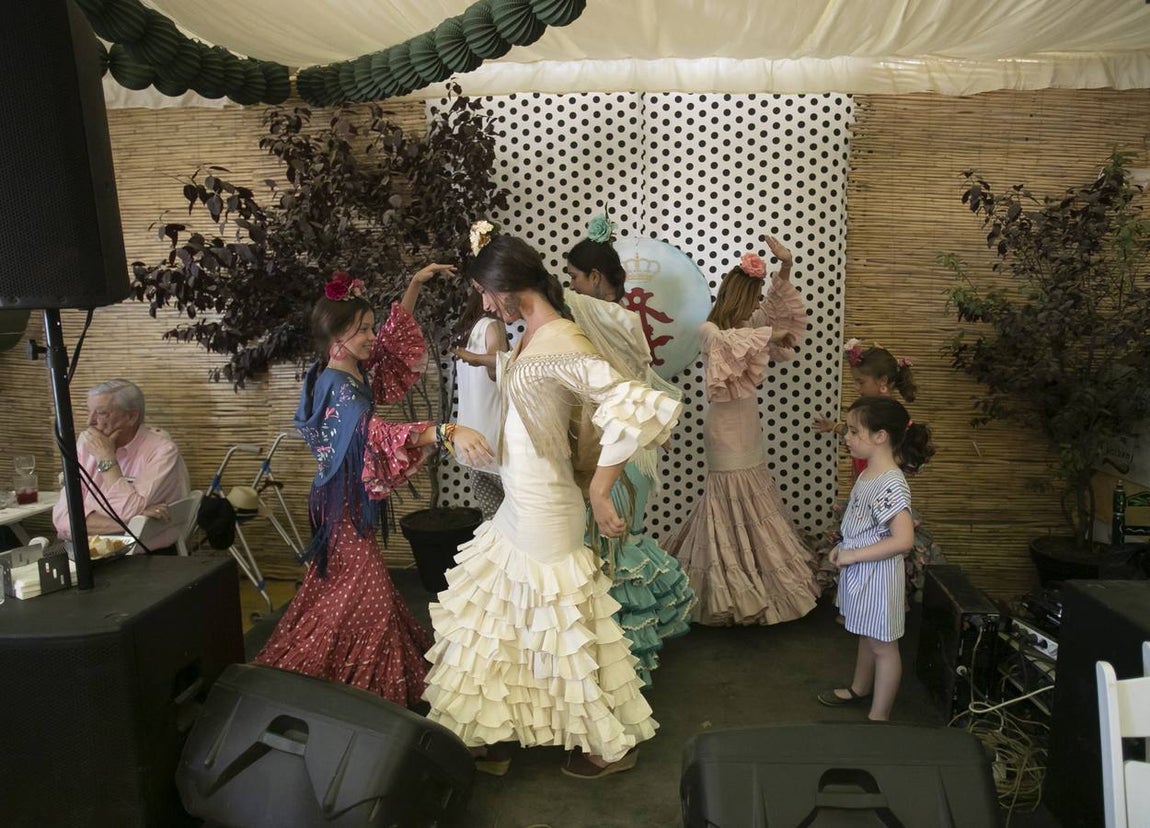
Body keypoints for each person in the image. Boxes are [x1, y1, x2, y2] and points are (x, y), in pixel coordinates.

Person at [423, 232, 681, 779]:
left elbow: (633, 405)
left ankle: (605, 745)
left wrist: (600, 488)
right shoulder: (529, 336)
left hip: (547, 509)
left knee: (552, 623)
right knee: (501, 615)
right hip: (521, 499)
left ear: (506, 285)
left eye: (487, 294)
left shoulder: (563, 341)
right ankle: (493, 731)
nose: (487, 306)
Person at [254, 267, 493, 708]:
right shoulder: (339, 387)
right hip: (341, 505)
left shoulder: (345, 370)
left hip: (339, 500)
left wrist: (416, 283)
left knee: (341, 592)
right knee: (368, 598)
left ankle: (346, 684)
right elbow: (374, 436)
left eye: (368, 325)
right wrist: (443, 431)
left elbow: (390, 341)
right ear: (336, 336)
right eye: (361, 329)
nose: (371, 336)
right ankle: (360, 693)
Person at [561, 214, 695, 686]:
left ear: (595, 278)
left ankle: (621, 675)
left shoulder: (608, 315)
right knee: (612, 552)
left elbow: (557, 300)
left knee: (610, 557)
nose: (569, 286)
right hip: (625, 447)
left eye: (575, 277)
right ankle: (616, 668)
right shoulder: (616, 318)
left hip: (618, 450)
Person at [665, 236, 820, 626]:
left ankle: (758, 589)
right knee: (726, 499)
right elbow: (729, 342)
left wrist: (785, 265)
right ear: (738, 296)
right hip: (723, 429)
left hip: (748, 423)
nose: (755, 308)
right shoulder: (707, 331)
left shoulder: (752, 323)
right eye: (750, 300)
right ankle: (731, 592)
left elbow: (778, 312)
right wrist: (770, 335)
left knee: (752, 493)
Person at [817, 395, 934, 721]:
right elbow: (863, 523)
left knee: (884, 645)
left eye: (855, 432)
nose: (848, 437)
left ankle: (878, 717)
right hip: (863, 572)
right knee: (868, 636)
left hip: (878, 577)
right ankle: (859, 688)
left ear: (880, 436)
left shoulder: (891, 482)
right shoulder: (870, 473)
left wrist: (854, 554)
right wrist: (845, 546)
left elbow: (903, 539)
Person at [811, 342, 941, 603]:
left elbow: (902, 539)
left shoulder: (885, 419)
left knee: (877, 548)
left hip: (878, 501)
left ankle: (884, 603)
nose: (850, 437)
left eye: (861, 382)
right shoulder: (869, 416)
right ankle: (857, 601)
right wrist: (834, 427)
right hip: (865, 492)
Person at [52, 378, 190, 553]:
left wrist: (105, 458)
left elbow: (127, 509)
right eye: (89, 411)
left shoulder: (162, 451)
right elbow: (63, 519)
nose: (89, 421)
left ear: (131, 417)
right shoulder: (86, 446)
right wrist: (132, 522)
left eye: (102, 413)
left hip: (144, 559)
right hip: (90, 552)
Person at [450, 288, 508, 519]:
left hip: (469, 445)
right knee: (516, 521)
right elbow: (496, 369)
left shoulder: (465, 332)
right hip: (495, 447)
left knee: (493, 520)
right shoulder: (492, 326)